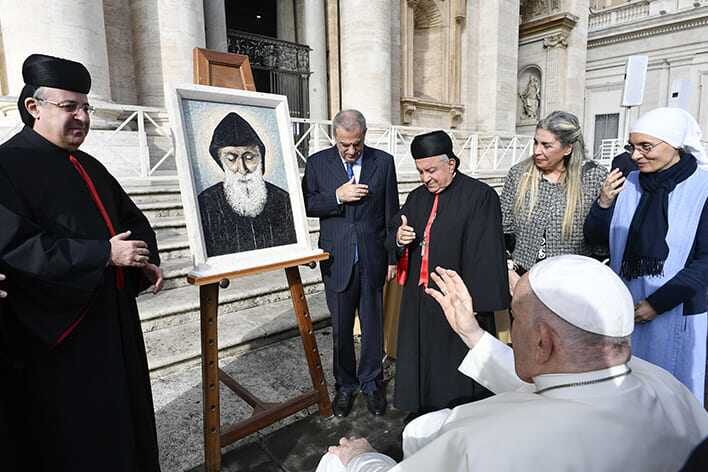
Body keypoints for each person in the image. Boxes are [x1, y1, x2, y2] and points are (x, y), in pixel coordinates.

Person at [316, 256, 708, 471]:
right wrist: (471, 332)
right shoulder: (669, 387)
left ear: (542, 339)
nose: (511, 325)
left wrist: (360, 459)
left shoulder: (491, 448)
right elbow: (557, 386)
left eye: (516, 317)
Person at [0, 54, 163, 471]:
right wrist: (103, 254)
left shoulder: (88, 163)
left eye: (86, 107)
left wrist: (144, 258)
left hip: (116, 319)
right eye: (69, 107)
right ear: (34, 107)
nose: (82, 117)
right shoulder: (7, 165)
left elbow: (132, 221)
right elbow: (20, 247)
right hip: (63, 337)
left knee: (127, 420)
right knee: (82, 437)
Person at [584, 107, 708, 404]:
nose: (636, 155)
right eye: (632, 147)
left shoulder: (703, 189)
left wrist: (656, 304)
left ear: (674, 145)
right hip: (627, 307)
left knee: (673, 399)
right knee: (629, 397)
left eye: (646, 147)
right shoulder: (628, 183)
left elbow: (705, 261)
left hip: (679, 308)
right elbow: (597, 240)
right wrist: (603, 204)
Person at [389, 130, 508, 414]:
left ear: (451, 165)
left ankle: (459, 413)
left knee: (455, 364)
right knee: (421, 359)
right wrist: (399, 237)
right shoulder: (418, 197)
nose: (425, 178)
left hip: (458, 299)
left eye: (431, 170)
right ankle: (422, 409)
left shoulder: (480, 197)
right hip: (420, 300)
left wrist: (475, 308)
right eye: (420, 171)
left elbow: (487, 254)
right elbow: (396, 227)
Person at [302, 110, 399, 417]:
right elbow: (307, 204)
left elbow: (391, 214)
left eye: (356, 143)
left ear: (365, 134)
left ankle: (371, 383)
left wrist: (392, 258)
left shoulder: (383, 163)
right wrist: (337, 196)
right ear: (335, 137)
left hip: (373, 258)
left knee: (372, 327)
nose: (351, 150)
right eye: (345, 144)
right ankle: (345, 385)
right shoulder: (318, 163)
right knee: (341, 329)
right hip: (337, 260)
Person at [501, 111, 607, 292]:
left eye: (546, 145)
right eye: (535, 142)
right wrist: (509, 270)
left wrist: (605, 203)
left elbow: (601, 241)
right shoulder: (518, 174)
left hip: (573, 284)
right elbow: (502, 229)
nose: (537, 151)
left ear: (568, 148)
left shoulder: (594, 177)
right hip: (522, 280)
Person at [198, 112, 297, 257]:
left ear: (261, 159)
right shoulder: (206, 202)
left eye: (249, 158)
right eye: (231, 159)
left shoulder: (282, 199)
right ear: (220, 162)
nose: (242, 169)